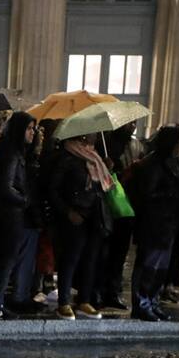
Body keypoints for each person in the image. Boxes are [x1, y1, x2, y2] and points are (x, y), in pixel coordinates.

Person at [47, 132, 112, 321]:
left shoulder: (94, 158)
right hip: (75, 215)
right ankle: (64, 302)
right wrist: (67, 211)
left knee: (90, 259)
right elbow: (53, 189)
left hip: (94, 216)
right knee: (71, 258)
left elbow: (102, 188)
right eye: (92, 132)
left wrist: (106, 170)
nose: (96, 135)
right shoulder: (67, 157)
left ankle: (84, 300)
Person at [128, 124, 179, 322]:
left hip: (169, 224)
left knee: (161, 268)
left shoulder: (175, 163)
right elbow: (147, 194)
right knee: (148, 266)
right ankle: (142, 304)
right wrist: (171, 195)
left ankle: (153, 301)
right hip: (154, 224)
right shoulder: (153, 163)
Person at [0, 111, 38, 320]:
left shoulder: (10, 150)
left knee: (3, 260)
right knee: (5, 259)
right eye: (29, 129)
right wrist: (24, 200)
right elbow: (5, 187)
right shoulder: (11, 153)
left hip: (6, 214)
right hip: (9, 215)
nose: (33, 133)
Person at [97, 121, 145, 309]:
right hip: (110, 203)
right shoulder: (107, 143)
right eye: (129, 123)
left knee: (119, 253)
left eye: (134, 123)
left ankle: (113, 291)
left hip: (128, 205)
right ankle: (99, 290)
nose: (132, 126)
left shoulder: (135, 145)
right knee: (104, 252)